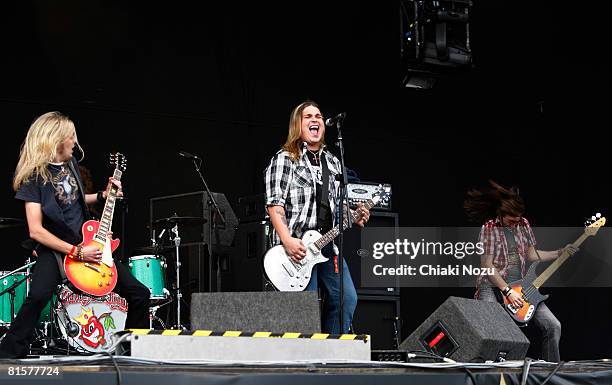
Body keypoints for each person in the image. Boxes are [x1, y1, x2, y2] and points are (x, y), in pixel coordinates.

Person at [0, 111, 150, 359]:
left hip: (86, 244)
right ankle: (8, 354)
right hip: (58, 248)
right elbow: (36, 229)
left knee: (139, 293)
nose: (76, 143)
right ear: (56, 139)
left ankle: (133, 354)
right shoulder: (34, 178)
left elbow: (77, 202)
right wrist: (77, 251)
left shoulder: (70, 166)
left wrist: (103, 195)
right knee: (37, 296)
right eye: (71, 137)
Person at [264, 100, 369, 334]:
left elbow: (337, 208)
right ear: (297, 125)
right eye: (308, 116)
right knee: (305, 311)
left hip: (328, 245)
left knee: (346, 299)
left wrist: (354, 217)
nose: (315, 120)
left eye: (319, 116)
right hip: (298, 245)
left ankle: (330, 353)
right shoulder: (284, 159)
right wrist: (288, 241)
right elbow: (275, 205)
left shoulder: (332, 162)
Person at [464, 180, 578, 362]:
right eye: (511, 219)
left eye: (518, 219)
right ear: (501, 214)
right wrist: (507, 292)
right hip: (492, 286)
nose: (515, 223)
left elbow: (532, 255)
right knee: (495, 329)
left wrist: (559, 253)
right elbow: (487, 267)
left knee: (553, 326)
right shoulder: (489, 228)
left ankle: (552, 372)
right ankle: (493, 373)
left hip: (520, 287)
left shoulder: (523, 223)